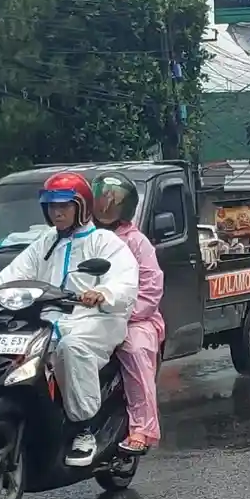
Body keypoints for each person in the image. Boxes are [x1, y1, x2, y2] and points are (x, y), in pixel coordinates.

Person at [0, 172, 140, 467]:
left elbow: (125, 279)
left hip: (94, 318)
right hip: (49, 317)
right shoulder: (45, 242)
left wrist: (103, 292)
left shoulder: (104, 241)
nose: (57, 212)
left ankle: (84, 430)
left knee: (71, 348)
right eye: (52, 206)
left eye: (64, 205)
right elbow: (15, 273)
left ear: (81, 207)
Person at [90, 172, 165, 455]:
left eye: (114, 201)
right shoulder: (84, 236)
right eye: (103, 199)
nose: (106, 206)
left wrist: (121, 313)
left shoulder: (136, 242)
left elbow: (150, 288)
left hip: (134, 318)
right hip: (84, 314)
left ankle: (142, 429)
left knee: (135, 351)